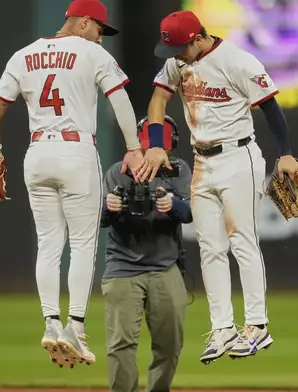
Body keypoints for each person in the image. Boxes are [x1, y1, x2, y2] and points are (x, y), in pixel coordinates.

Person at [0, 0, 166, 369]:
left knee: (49, 243)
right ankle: (74, 328)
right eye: (99, 29)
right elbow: (121, 101)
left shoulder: (24, 54)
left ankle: (50, 321)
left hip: (37, 153)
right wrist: (134, 148)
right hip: (76, 151)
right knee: (82, 243)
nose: (101, 36)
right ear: (83, 23)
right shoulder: (91, 54)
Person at [144, 9, 298, 364]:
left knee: (242, 240)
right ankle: (222, 329)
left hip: (238, 157)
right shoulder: (177, 62)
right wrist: (155, 143)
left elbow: (271, 109)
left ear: (199, 38)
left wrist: (286, 153)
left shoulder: (238, 61)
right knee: (209, 246)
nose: (176, 56)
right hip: (202, 161)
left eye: (181, 48)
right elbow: (158, 98)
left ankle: (258, 326)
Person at [101, 115, 192, 392]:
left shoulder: (178, 170)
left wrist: (172, 203)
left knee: (171, 343)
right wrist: (110, 206)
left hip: (165, 266)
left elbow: (190, 212)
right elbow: (98, 220)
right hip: (122, 266)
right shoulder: (119, 171)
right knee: (121, 345)